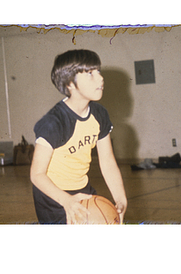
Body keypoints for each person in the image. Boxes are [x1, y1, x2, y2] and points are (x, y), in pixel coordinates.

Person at [30, 49, 127, 224]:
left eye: (98, 71)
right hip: (53, 197)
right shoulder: (53, 123)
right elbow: (37, 174)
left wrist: (120, 198)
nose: (100, 78)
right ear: (70, 84)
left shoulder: (99, 114)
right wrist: (66, 200)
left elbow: (107, 162)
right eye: (90, 73)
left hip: (82, 189)